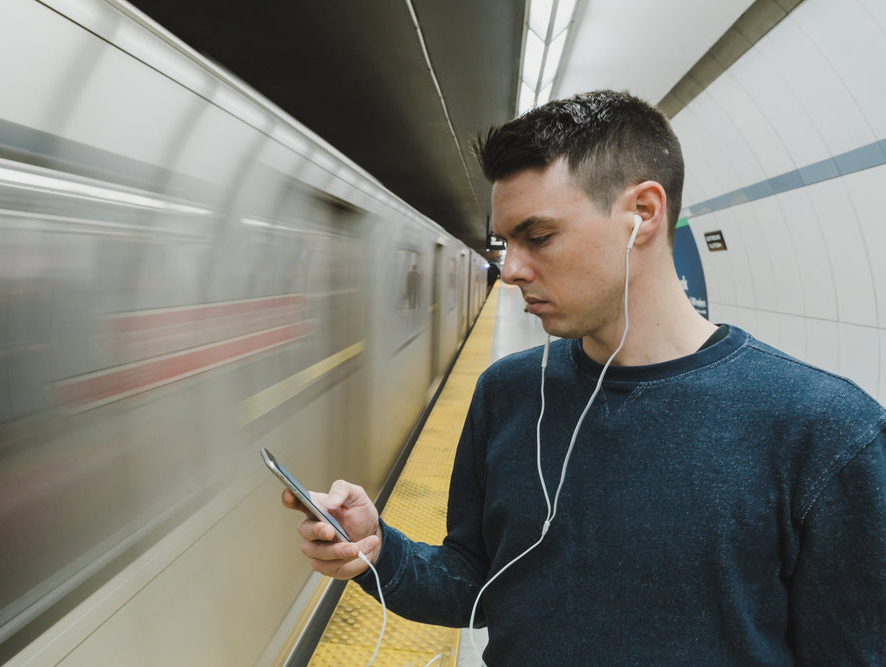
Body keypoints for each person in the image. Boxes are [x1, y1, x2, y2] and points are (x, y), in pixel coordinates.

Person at [281, 90, 886, 664]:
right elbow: (475, 583)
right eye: (505, 242)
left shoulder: (823, 430)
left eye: (538, 237)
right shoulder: (509, 393)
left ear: (642, 215)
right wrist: (378, 552)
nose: (510, 269)